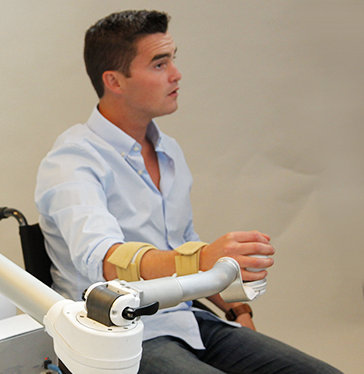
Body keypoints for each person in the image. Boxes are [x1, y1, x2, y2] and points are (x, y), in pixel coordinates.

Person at [35, 10, 341, 373]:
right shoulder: (71, 160)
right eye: (160, 64)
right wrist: (201, 260)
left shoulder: (169, 152)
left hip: (186, 318)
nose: (177, 74)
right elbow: (105, 261)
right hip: (118, 335)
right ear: (115, 81)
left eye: (173, 60)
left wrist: (236, 307)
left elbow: (182, 243)